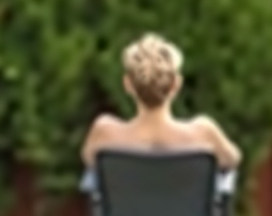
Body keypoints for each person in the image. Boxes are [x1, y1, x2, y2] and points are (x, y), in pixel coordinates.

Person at [81, 33, 241, 171]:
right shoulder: (204, 132)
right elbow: (232, 159)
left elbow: (89, 160)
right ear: (176, 84)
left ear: (128, 84)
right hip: (183, 208)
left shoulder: (104, 132)